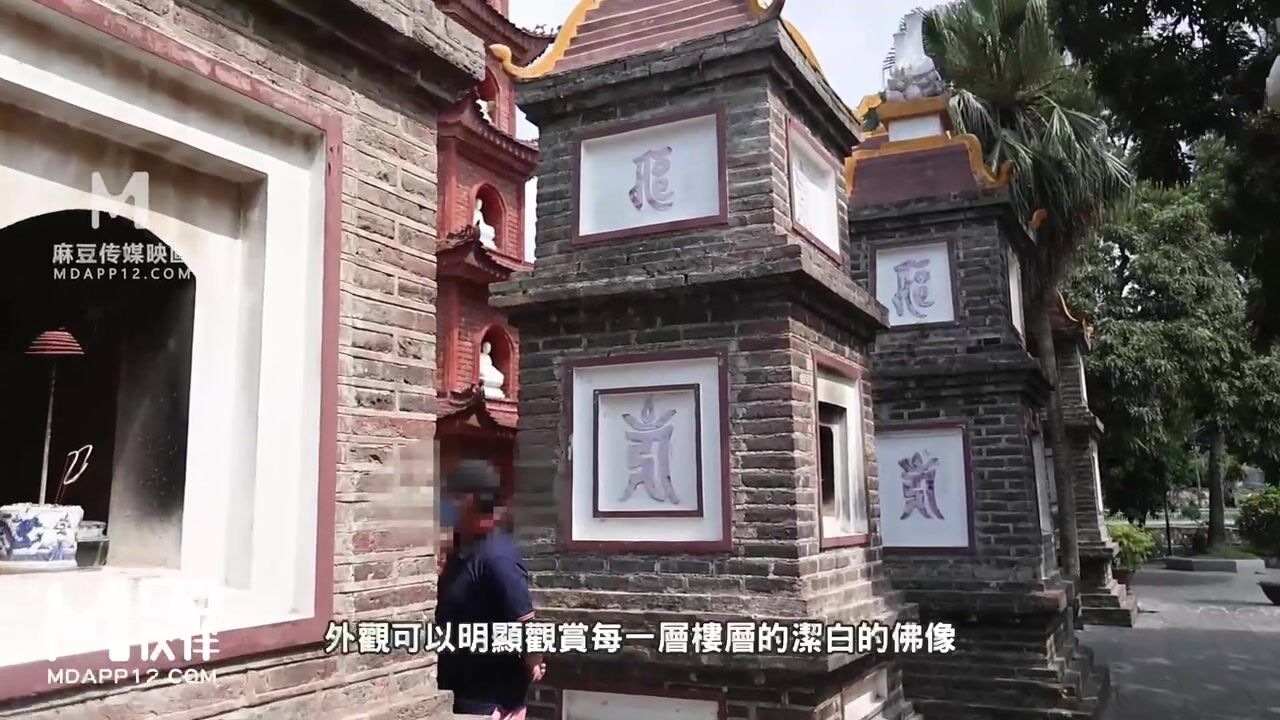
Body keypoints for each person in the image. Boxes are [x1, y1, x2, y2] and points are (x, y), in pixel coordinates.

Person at [435, 460, 545, 719]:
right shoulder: (463, 550)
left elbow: (525, 623)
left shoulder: (496, 556)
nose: (445, 505)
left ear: (470, 500)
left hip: (487, 700)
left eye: (451, 497)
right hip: (458, 691)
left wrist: (534, 660)